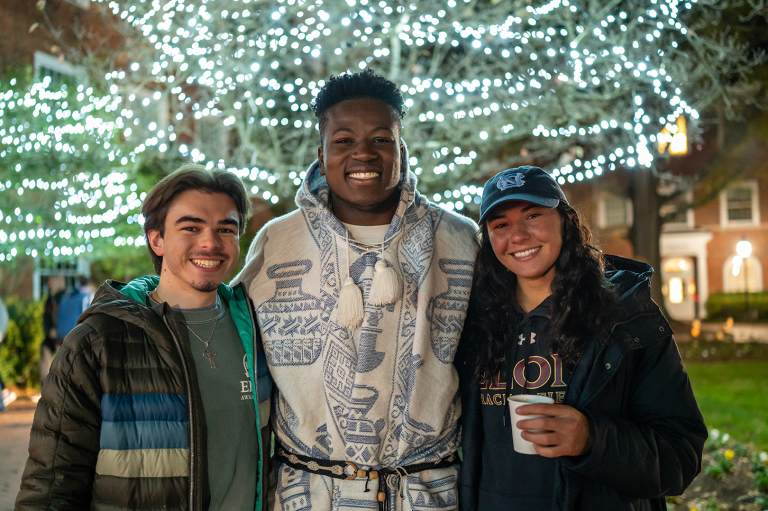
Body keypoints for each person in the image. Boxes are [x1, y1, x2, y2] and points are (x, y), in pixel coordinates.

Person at [232, 69, 479, 510]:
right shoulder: (277, 243)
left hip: (428, 493)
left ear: (401, 147)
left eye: (381, 139)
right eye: (344, 140)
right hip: (308, 494)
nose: (363, 154)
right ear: (322, 151)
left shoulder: (459, 239)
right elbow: (229, 345)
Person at [16, 165, 273, 511]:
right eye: (191, 227)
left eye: (225, 229)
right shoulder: (98, 341)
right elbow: (50, 486)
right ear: (157, 239)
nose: (210, 242)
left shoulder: (259, 331)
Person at [455, 166, 707, 510]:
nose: (518, 235)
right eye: (501, 224)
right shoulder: (472, 324)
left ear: (565, 221)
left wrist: (592, 439)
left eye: (533, 215)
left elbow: (680, 455)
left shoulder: (624, 319)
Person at [39, 275, 65, 384]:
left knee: (61, 360)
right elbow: (47, 316)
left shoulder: (63, 298)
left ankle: (61, 386)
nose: (48, 285)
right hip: (51, 334)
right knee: (45, 350)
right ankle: (45, 385)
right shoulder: (50, 298)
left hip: (61, 335)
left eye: (50, 282)